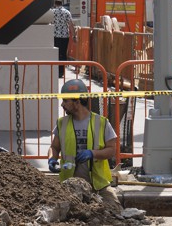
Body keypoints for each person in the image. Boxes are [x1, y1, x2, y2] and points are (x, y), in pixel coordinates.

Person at [48, 79, 121, 213]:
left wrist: (92, 153)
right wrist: (52, 159)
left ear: (77, 101)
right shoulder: (62, 123)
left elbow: (111, 150)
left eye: (65, 101)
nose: (62, 105)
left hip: (98, 184)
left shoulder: (101, 122)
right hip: (69, 185)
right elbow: (54, 147)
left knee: (114, 211)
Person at [52, 0, 73, 78]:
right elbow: (70, 24)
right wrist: (74, 35)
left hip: (55, 36)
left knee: (56, 53)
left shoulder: (52, 12)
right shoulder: (67, 12)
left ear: (55, 4)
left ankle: (56, 70)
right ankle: (61, 72)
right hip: (64, 36)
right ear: (62, 4)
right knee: (63, 53)